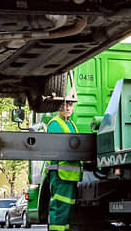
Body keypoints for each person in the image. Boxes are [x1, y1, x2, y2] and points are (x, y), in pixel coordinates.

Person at [45, 78, 82, 231]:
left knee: (67, 212)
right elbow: (60, 148)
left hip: (69, 176)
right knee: (60, 210)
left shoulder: (71, 124)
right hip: (60, 176)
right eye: (64, 104)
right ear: (58, 106)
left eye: (70, 104)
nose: (67, 107)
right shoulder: (55, 123)